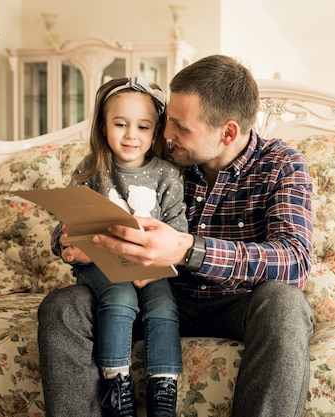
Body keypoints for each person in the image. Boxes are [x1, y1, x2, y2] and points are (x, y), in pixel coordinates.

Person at [38, 55, 314, 417]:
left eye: (180, 127)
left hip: (236, 304)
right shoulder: (162, 154)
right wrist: (70, 240)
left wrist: (186, 249)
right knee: (62, 307)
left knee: (285, 305)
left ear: (227, 132)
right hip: (149, 295)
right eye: (167, 120)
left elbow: (294, 260)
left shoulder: (282, 165)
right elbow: (93, 197)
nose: (166, 134)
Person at [49, 76, 187, 417]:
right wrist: (68, 241)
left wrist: (156, 258)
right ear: (103, 126)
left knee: (164, 307)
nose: (131, 135)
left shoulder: (167, 175)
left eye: (143, 127)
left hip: (151, 266)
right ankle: (117, 383)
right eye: (120, 124)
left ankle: (163, 388)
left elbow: (179, 230)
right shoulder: (92, 170)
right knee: (120, 295)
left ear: (155, 131)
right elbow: (67, 224)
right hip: (100, 263)